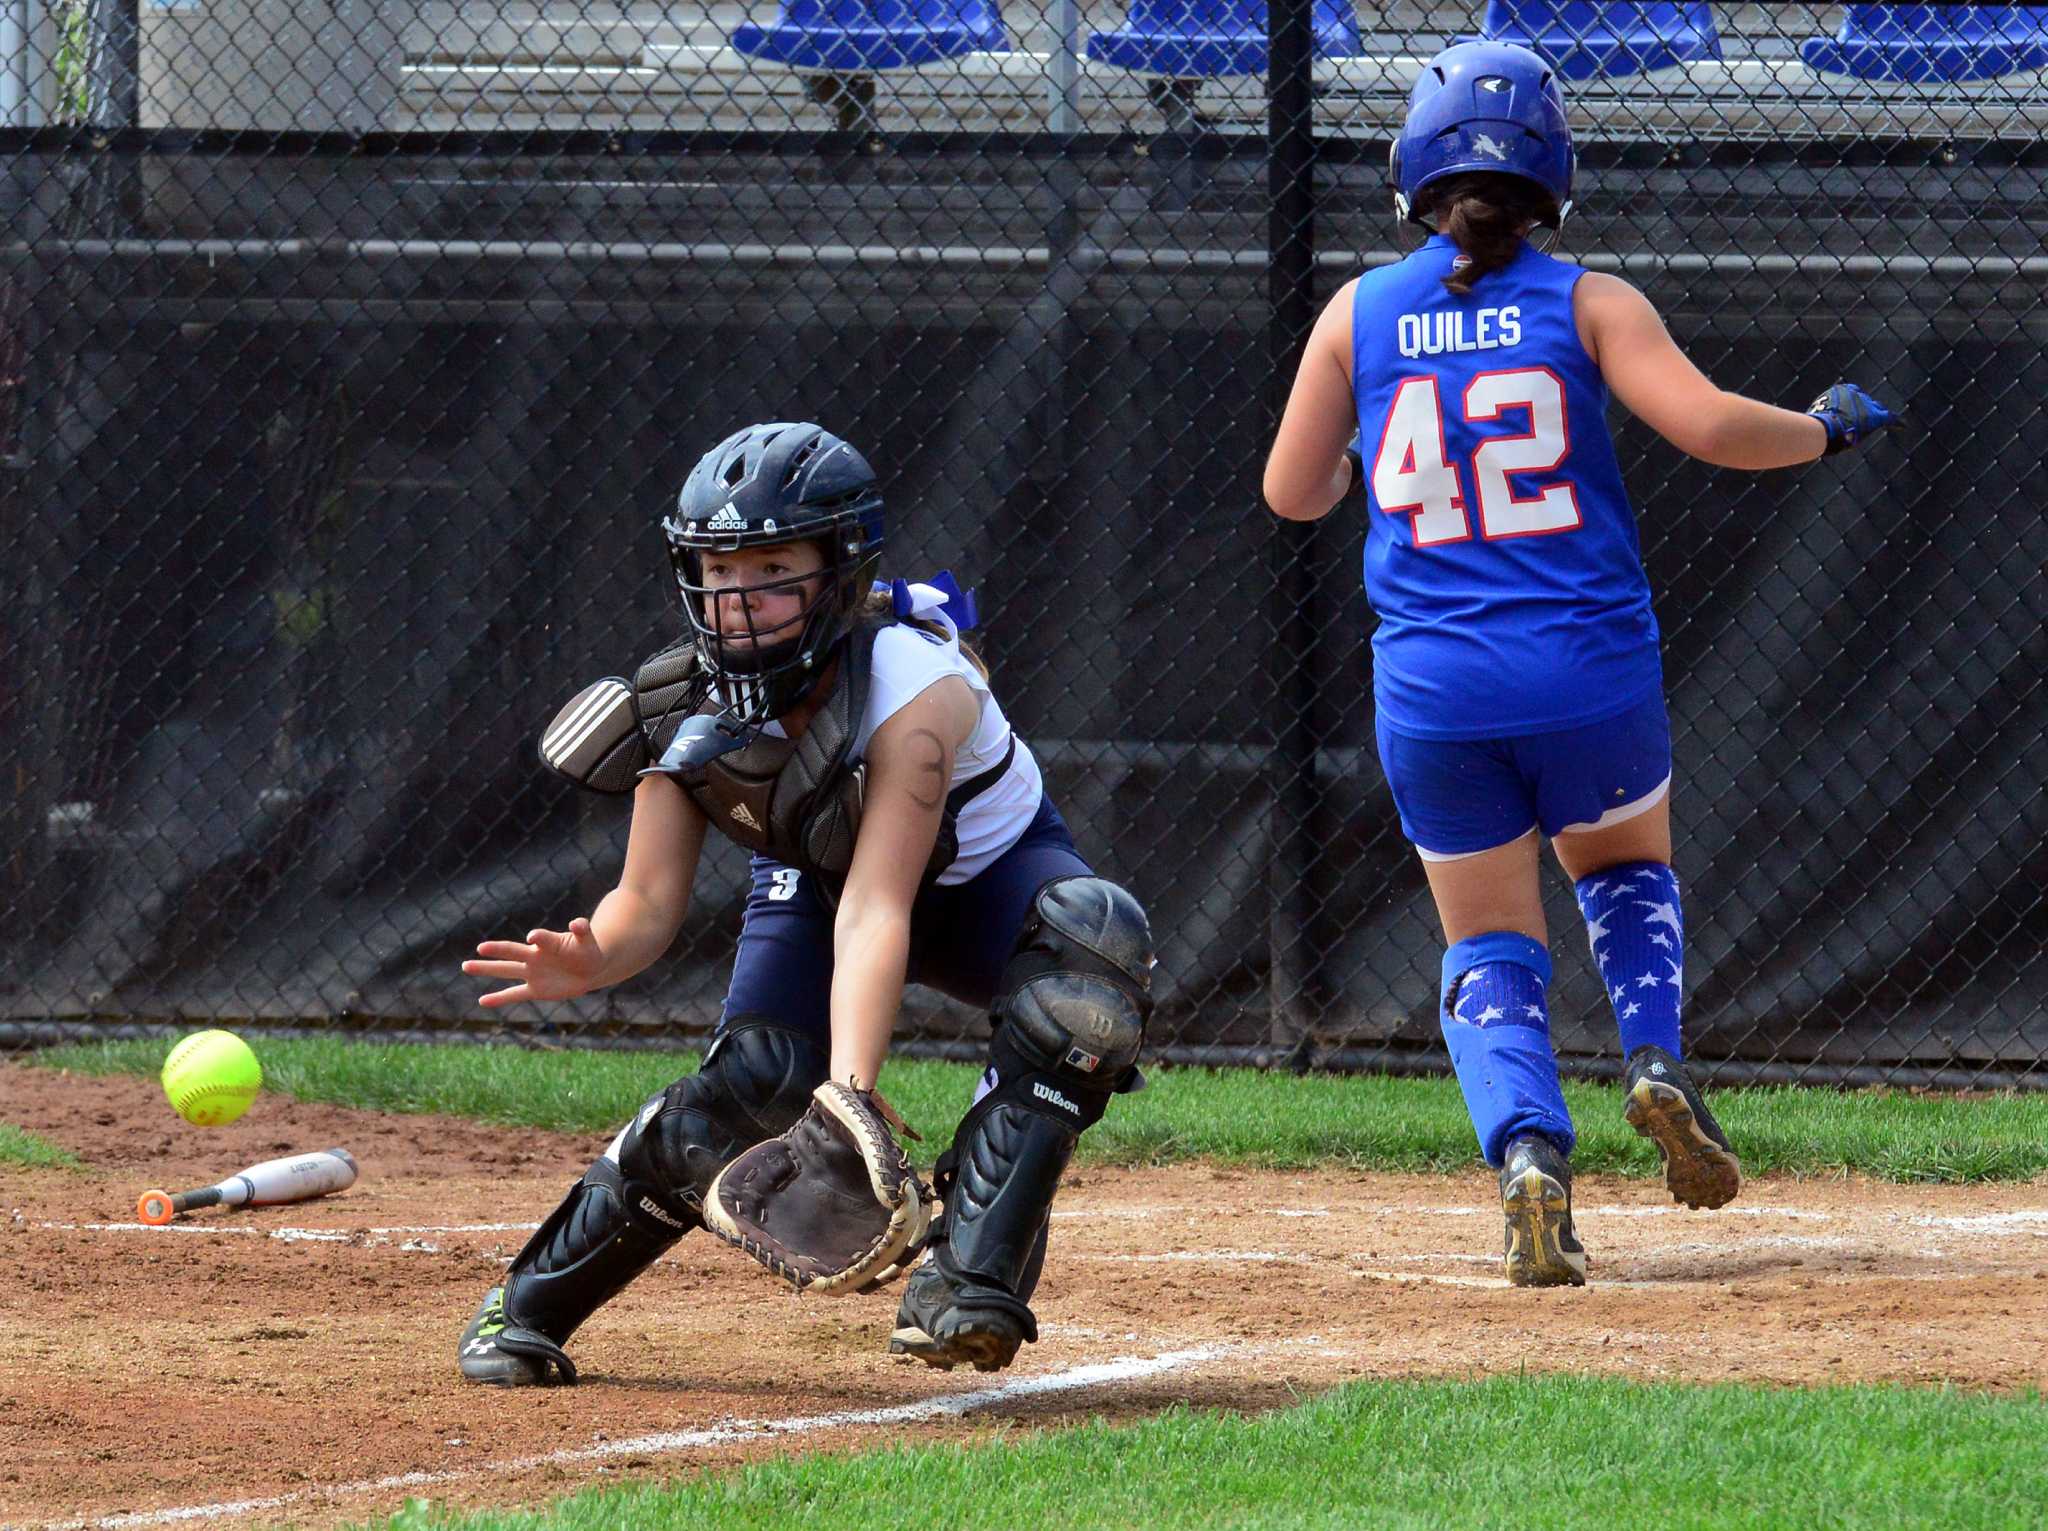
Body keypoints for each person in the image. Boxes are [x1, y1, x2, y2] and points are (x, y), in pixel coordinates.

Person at [1262, 43, 1895, 1287]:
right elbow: (1710, 425)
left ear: (1411, 173)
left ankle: (1526, 1159)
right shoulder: (1588, 299)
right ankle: (1654, 1061)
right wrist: (1822, 430)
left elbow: (1291, 492)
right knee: (1621, 868)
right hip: (1583, 668)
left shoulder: (1357, 312)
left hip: (1433, 693)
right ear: (1551, 174)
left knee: (1486, 942)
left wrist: (1346, 471)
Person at [454, 421, 1152, 1383]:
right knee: (756, 1078)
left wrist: (850, 1099)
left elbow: (880, 905)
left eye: (774, 566)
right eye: (718, 569)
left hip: (988, 883)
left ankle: (965, 1285)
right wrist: (594, 955)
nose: (739, 599)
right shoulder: (681, 704)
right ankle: (523, 1308)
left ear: (844, 571)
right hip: (819, 887)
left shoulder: (916, 691)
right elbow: (647, 902)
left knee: (1090, 966)